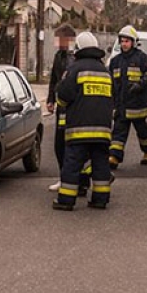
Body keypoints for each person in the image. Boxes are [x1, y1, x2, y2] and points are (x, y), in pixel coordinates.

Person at [52, 31, 114, 211]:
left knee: (72, 165)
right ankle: (100, 199)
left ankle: (66, 201)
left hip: (79, 128)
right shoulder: (105, 71)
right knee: (100, 164)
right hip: (103, 129)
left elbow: (63, 96)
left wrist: (60, 102)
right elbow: (113, 98)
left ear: (78, 49)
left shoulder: (74, 69)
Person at [108, 25, 147, 168]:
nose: (124, 44)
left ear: (134, 42)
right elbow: (110, 82)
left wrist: (141, 84)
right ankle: (114, 157)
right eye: (122, 41)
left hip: (138, 107)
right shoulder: (115, 61)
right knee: (118, 133)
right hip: (121, 107)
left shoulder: (142, 58)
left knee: (143, 132)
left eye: (127, 41)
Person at [46, 23, 77, 192]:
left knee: (71, 144)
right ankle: (63, 176)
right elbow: (54, 79)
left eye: (60, 39)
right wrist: (51, 99)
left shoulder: (75, 58)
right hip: (61, 106)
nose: (57, 43)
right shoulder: (59, 56)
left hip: (72, 108)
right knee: (59, 144)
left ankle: (73, 179)